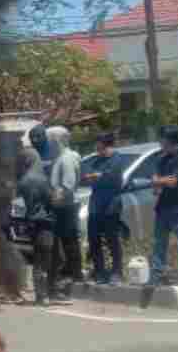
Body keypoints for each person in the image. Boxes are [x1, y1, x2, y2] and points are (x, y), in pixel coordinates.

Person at [146, 126, 178, 295]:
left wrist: (158, 181)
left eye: (162, 139)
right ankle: (156, 275)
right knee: (159, 242)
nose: (160, 142)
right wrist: (159, 182)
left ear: (170, 140)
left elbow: (173, 181)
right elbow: (156, 186)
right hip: (163, 206)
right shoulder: (161, 159)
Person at [82, 133, 127, 285]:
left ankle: (117, 272)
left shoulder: (117, 159)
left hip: (111, 205)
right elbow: (87, 176)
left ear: (106, 144)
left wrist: (98, 176)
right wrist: (92, 176)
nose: (96, 147)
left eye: (98, 143)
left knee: (112, 239)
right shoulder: (96, 160)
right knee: (93, 238)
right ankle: (99, 271)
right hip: (95, 205)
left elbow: (111, 177)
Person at [17, 149, 57, 307]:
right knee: (46, 260)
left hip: (32, 224)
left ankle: (40, 295)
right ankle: (44, 295)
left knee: (37, 260)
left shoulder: (24, 181)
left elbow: (19, 201)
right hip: (45, 224)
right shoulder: (42, 180)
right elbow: (51, 200)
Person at [47, 126, 82, 302]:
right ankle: (72, 275)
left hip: (65, 207)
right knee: (68, 242)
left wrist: (51, 201)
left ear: (56, 140)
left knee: (68, 243)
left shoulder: (66, 159)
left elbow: (67, 187)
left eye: (49, 140)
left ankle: (72, 276)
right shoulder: (61, 157)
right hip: (63, 206)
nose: (48, 143)